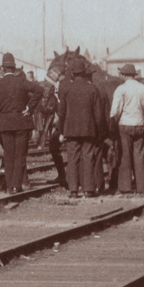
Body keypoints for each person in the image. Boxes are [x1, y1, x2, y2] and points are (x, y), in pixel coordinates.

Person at [0, 53, 39, 193]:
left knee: (9, 155)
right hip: (21, 123)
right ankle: (16, 185)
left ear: (3, 68)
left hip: (6, 125)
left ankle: (10, 187)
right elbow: (40, 90)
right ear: (14, 68)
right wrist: (30, 108)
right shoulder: (21, 81)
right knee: (20, 155)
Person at [55, 53, 104, 200]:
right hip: (89, 130)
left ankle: (73, 190)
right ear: (84, 72)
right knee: (88, 157)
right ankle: (88, 190)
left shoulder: (66, 89)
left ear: (72, 72)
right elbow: (99, 115)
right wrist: (99, 132)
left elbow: (61, 112)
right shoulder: (93, 89)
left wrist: (60, 130)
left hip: (70, 130)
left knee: (72, 159)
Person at [109, 63, 144, 195]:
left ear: (123, 75)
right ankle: (142, 187)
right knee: (140, 155)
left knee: (125, 156)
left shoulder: (120, 89)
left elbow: (115, 111)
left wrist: (114, 123)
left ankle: (125, 187)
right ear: (134, 75)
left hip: (125, 125)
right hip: (140, 124)